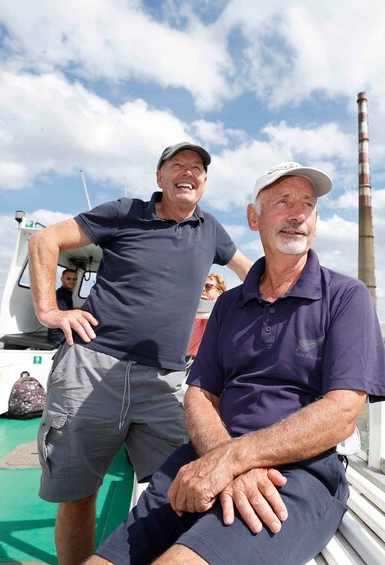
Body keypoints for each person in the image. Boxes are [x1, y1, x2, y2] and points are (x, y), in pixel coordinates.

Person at [87, 162, 385, 565]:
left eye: (307, 204)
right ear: (254, 217)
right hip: (205, 457)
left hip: (296, 475)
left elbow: (342, 414)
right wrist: (224, 457)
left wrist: (235, 460)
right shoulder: (230, 304)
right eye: (283, 201)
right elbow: (200, 393)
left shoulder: (345, 297)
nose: (297, 212)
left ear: (315, 220)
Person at [28, 142, 252, 565]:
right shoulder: (125, 212)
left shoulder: (211, 230)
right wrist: (49, 311)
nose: (188, 172)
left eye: (197, 168)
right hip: (92, 366)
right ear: (160, 177)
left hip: (165, 381)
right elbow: (46, 239)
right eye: (178, 165)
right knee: (78, 495)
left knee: (181, 489)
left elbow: (250, 272)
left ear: (205, 181)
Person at [185, 273, 226, 366]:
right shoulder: (188, 311)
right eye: (200, 286)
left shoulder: (225, 314)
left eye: (208, 286)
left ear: (220, 292)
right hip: (186, 362)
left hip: (210, 365)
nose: (203, 289)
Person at [46, 268, 78, 345]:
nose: (72, 281)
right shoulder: (60, 295)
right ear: (62, 279)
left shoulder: (66, 293)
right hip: (58, 336)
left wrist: (74, 309)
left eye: (74, 279)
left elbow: (65, 310)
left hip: (62, 333)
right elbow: (63, 315)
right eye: (68, 278)